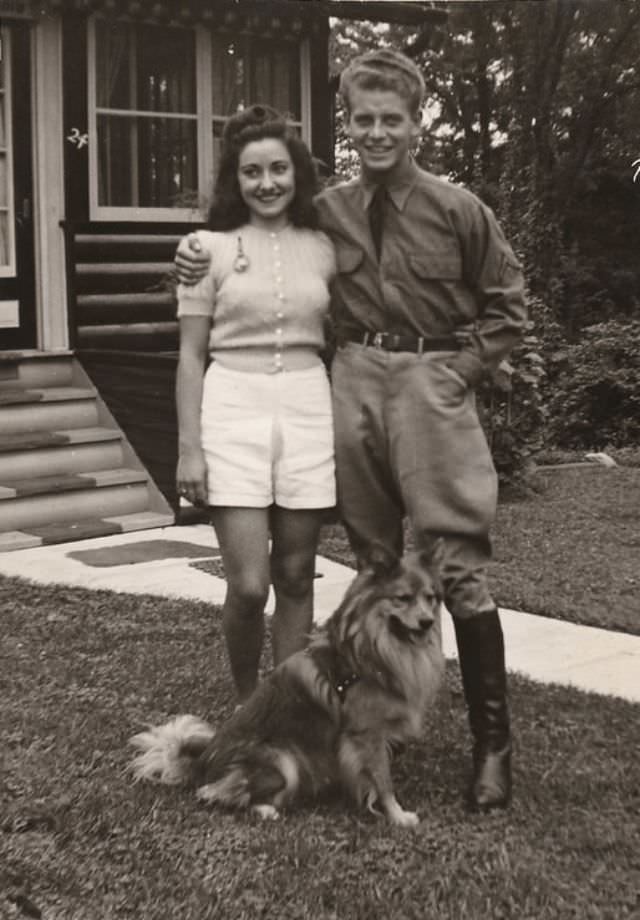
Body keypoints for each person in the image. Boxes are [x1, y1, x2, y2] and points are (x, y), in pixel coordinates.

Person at [174, 50, 527, 811]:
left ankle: (491, 748)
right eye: (362, 120)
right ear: (349, 125)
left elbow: (508, 306)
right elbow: (251, 241)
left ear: (416, 123)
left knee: (454, 563)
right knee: (373, 561)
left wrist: (459, 371)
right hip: (354, 381)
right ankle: (349, 723)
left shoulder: (459, 209)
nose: (375, 133)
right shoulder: (326, 209)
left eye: (390, 120)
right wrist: (192, 249)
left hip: (432, 384)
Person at [175, 104, 336, 704]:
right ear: (234, 180)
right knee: (249, 584)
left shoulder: (325, 245)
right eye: (251, 172)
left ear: (296, 172)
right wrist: (189, 448)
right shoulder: (203, 249)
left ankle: (287, 712)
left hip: (306, 407)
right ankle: (248, 706)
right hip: (231, 409)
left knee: (296, 574)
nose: (266, 183)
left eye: (277, 169)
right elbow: (190, 355)